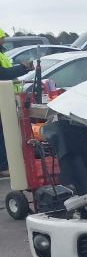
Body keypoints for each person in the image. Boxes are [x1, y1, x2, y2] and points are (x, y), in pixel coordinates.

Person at [0, 27, 35, 176]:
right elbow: (3, 74)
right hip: (3, 98)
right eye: (2, 38)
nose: (4, 41)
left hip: (7, 97)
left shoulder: (1, 54)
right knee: (3, 133)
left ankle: (5, 164)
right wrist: (22, 67)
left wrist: (23, 69)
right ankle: (3, 166)